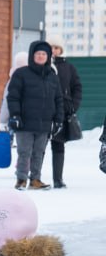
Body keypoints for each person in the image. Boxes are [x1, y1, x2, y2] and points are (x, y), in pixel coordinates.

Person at [6, 39, 64, 190]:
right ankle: (21, 180)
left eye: (44, 54)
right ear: (32, 55)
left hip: (44, 122)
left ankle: (35, 180)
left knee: (39, 152)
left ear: (48, 56)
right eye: (38, 53)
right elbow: (13, 97)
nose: (41, 56)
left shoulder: (52, 76)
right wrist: (15, 115)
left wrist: (58, 119)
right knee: (24, 152)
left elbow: (58, 99)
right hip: (24, 122)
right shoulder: (21, 74)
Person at [48, 38, 83, 189]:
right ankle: (35, 178)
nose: (54, 50)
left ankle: (58, 179)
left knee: (58, 145)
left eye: (57, 47)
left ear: (61, 50)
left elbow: (77, 87)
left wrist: (73, 106)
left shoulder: (69, 67)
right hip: (44, 111)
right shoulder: (43, 66)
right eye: (51, 47)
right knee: (38, 146)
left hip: (62, 111)